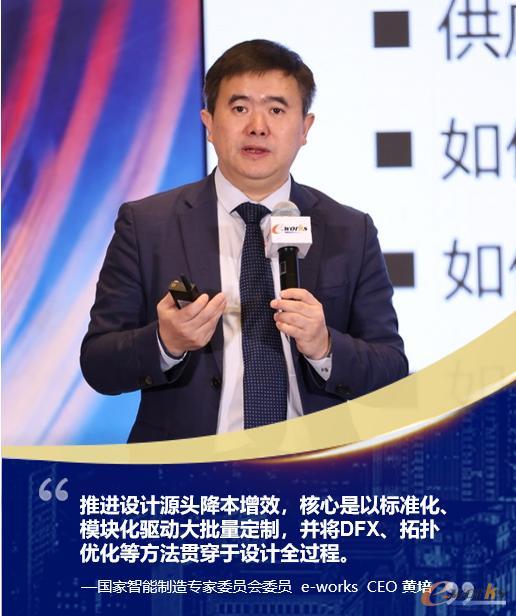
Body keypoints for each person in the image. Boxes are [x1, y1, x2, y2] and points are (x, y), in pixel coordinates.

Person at [80, 39, 408, 443]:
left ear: (305, 128)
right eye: (239, 108)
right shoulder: (147, 225)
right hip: (186, 467)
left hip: (313, 466)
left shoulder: (350, 230)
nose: (257, 126)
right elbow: (98, 364)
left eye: (276, 110)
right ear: (209, 123)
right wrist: (165, 342)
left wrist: (324, 346)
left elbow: (392, 370)